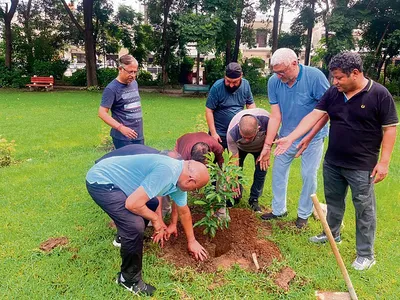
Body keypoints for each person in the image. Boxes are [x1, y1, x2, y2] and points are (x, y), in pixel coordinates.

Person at [273, 52, 398, 270]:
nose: (335, 82)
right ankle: (331, 234)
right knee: (334, 203)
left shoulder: (379, 94)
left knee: (364, 209)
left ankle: (366, 254)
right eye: (334, 77)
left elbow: (389, 129)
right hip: (333, 161)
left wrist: (384, 162)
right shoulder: (334, 93)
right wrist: (292, 138)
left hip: (362, 165)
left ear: (356, 73)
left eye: (339, 77)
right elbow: (314, 116)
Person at [86, 154, 210, 295]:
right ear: (191, 180)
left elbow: (184, 212)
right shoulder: (167, 171)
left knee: (151, 203)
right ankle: (128, 280)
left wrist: (192, 241)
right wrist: (156, 220)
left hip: (118, 182)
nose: (193, 191)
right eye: (195, 189)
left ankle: (122, 239)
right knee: (134, 226)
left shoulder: (179, 180)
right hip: (102, 181)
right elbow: (132, 204)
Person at [257, 48, 330, 229]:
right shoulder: (274, 82)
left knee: (308, 175)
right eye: (276, 72)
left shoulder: (315, 77)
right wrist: (267, 146)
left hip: (313, 137)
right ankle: (278, 209)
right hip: (285, 137)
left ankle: (303, 215)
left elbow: (328, 110)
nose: (279, 76)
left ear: (295, 63)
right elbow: (275, 116)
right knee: (279, 171)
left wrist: (310, 136)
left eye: (282, 71)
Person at [95, 144, 180, 247]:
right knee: (131, 204)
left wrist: (162, 220)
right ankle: (121, 239)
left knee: (149, 202)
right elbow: (155, 194)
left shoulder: (160, 161)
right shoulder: (160, 167)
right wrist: (158, 220)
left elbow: (158, 194)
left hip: (122, 167)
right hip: (107, 170)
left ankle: (135, 234)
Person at [226, 108, 270, 213]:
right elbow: (234, 160)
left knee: (261, 170)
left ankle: (254, 199)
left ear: (258, 129)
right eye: (243, 136)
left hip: (261, 147)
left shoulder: (267, 121)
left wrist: (267, 151)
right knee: (236, 171)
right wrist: (234, 180)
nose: (246, 140)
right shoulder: (232, 133)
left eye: (249, 138)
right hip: (239, 148)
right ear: (238, 128)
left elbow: (272, 136)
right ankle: (235, 196)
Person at [205, 62, 256, 149]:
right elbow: (209, 110)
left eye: (235, 82)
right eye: (228, 81)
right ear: (225, 76)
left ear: (241, 76)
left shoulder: (246, 85)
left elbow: (250, 104)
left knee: (235, 161)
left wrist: (251, 122)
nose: (231, 85)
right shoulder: (217, 87)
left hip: (237, 134)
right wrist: (213, 133)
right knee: (214, 161)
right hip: (219, 135)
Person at [98, 54, 144, 149]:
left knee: (140, 163)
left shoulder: (134, 83)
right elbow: (102, 113)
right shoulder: (111, 89)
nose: (133, 75)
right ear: (120, 69)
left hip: (138, 135)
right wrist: (121, 128)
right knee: (127, 163)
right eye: (130, 72)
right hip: (123, 138)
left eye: (135, 72)